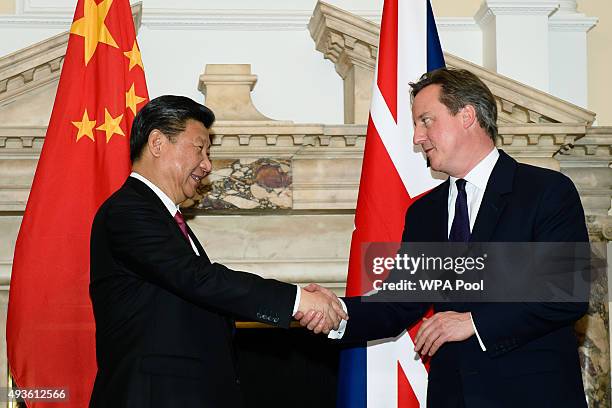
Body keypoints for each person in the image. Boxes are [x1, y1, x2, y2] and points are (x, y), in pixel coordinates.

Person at [297, 68, 589, 407]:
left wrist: (474, 322)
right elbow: (400, 301)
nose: (417, 138)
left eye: (426, 121)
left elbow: (566, 292)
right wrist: (336, 311)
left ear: (467, 116)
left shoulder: (545, 192)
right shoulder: (425, 212)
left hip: (532, 396)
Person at [88, 95, 347, 408]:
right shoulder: (127, 211)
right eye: (199, 148)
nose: (207, 165)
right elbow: (200, 279)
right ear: (157, 143)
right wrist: (297, 300)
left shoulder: (163, 218)